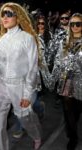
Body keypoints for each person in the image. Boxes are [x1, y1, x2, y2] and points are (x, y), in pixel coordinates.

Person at [0, 2, 41, 150]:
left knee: (24, 117)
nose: (4, 17)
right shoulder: (0, 39)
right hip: (0, 86)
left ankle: (36, 135)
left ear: (18, 17)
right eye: (2, 14)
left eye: (9, 14)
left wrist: (27, 94)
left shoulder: (27, 38)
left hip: (19, 86)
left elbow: (33, 68)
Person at [50, 13, 82, 150]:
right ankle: (73, 137)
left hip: (81, 82)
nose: (75, 26)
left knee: (77, 110)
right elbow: (57, 62)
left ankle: (72, 129)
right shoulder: (64, 41)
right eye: (72, 24)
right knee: (68, 111)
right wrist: (53, 80)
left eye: (78, 24)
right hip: (67, 81)